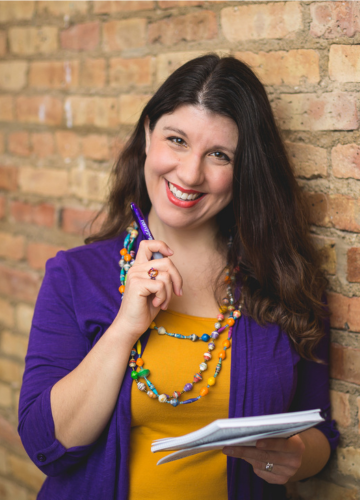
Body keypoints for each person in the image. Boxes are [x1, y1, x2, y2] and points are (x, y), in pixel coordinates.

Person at [18, 54, 339, 500]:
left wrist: (295, 456)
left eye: (219, 155)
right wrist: (125, 328)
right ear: (148, 134)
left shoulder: (286, 282)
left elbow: (321, 434)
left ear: (243, 169)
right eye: (177, 140)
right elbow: (44, 448)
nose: (190, 174)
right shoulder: (75, 277)